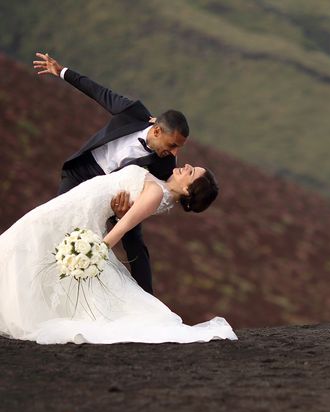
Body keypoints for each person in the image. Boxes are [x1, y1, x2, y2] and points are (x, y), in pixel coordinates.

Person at [0, 163, 236, 344]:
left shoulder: (155, 194)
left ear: (186, 188)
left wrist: (91, 253)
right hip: (73, 207)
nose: (186, 166)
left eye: (191, 171)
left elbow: (125, 226)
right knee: (24, 242)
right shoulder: (159, 187)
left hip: (75, 212)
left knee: (20, 241)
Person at [33, 52, 187, 295]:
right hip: (82, 172)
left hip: (117, 195)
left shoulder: (165, 164)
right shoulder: (134, 112)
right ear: (156, 131)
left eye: (179, 147)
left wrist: (124, 211)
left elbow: (157, 195)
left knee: (135, 240)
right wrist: (61, 71)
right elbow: (99, 93)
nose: (175, 152)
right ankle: (47, 279)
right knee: (54, 220)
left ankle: (149, 301)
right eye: (172, 145)